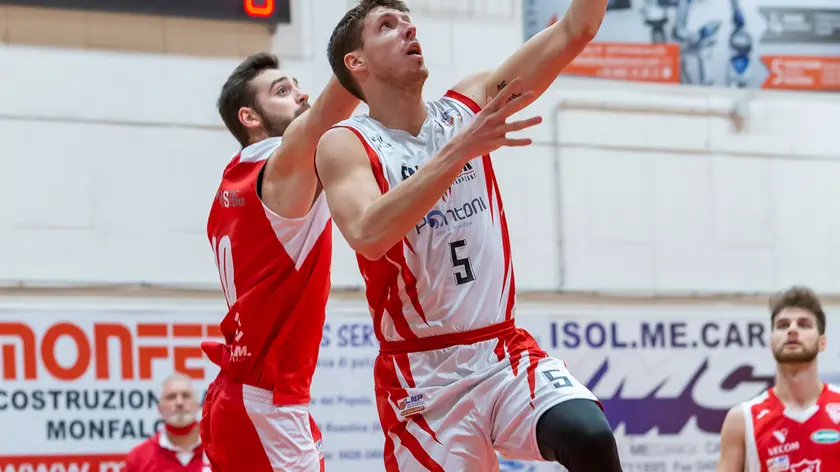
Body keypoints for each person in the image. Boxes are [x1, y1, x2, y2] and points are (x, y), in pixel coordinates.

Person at [315, 1, 621, 470]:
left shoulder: (469, 103)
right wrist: (459, 151)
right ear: (356, 62)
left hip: (501, 353)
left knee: (588, 434)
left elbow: (576, 29)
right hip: (422, 379)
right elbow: (368, 233)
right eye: (387, 25)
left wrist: (459, 143)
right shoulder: (345, 143)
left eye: (407, 20)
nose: (407, 28)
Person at [200, 52, 359, 472]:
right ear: (250, 118)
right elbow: (332, 109)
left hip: (235, 393)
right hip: (266, 401)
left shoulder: (232, 180)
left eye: (295, 85)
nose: (301, 95)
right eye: (283, 91)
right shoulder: (282, 166)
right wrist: (364, 51)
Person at [717, 286, 840, 472]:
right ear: (771, 342)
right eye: (783, 325)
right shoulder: (742, 420)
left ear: (822, 343)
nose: (792, 330)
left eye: (804, 324)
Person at [125, 373, 206, 472]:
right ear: (159, 409)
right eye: (171, 397)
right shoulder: (139, 457)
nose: (179, 402)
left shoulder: (219, 450)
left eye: (186, 396)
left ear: (198, 405)